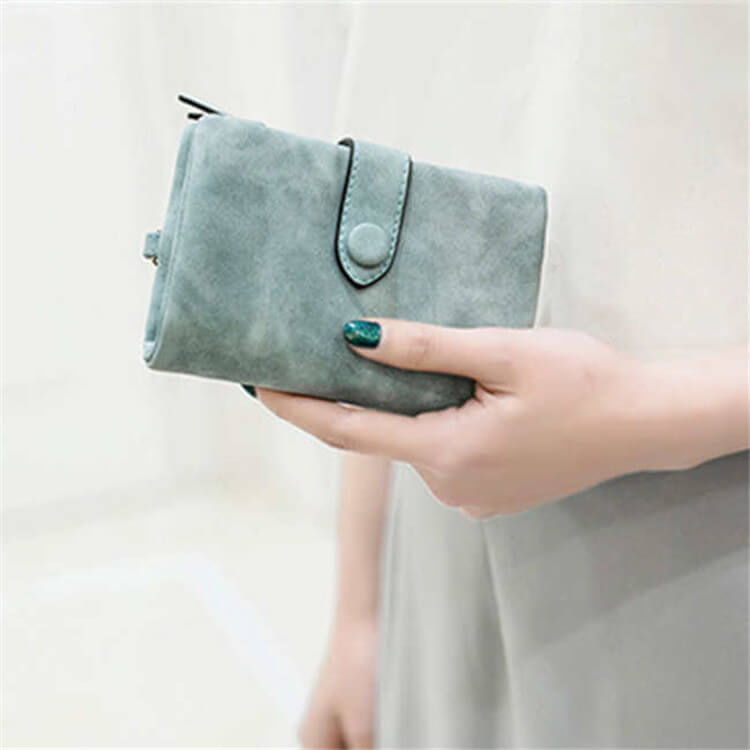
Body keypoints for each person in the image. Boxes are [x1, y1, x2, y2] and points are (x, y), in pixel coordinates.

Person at [258, 4, 749, 747]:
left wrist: (642, 412)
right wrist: (359, 607)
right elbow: (407, 135)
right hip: (438, 505)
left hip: (708, 505)